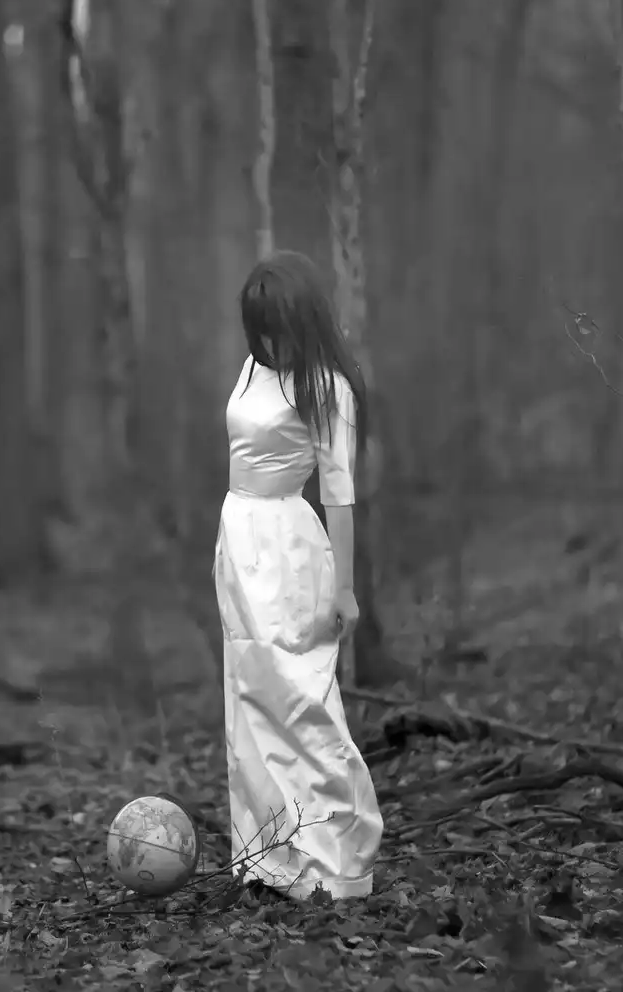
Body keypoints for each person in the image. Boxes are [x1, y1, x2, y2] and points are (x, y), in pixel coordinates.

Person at [214, 251, 382, 900]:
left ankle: (335, 858)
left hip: (288, 547)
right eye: (259, 330)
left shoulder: (327, 387)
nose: (267, 343)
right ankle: (269, 857)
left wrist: (342, 587)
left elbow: (339, 493)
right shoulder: (252, 368)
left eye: (277, 328)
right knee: (250, 699)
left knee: (300, 698)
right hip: (240, 539)